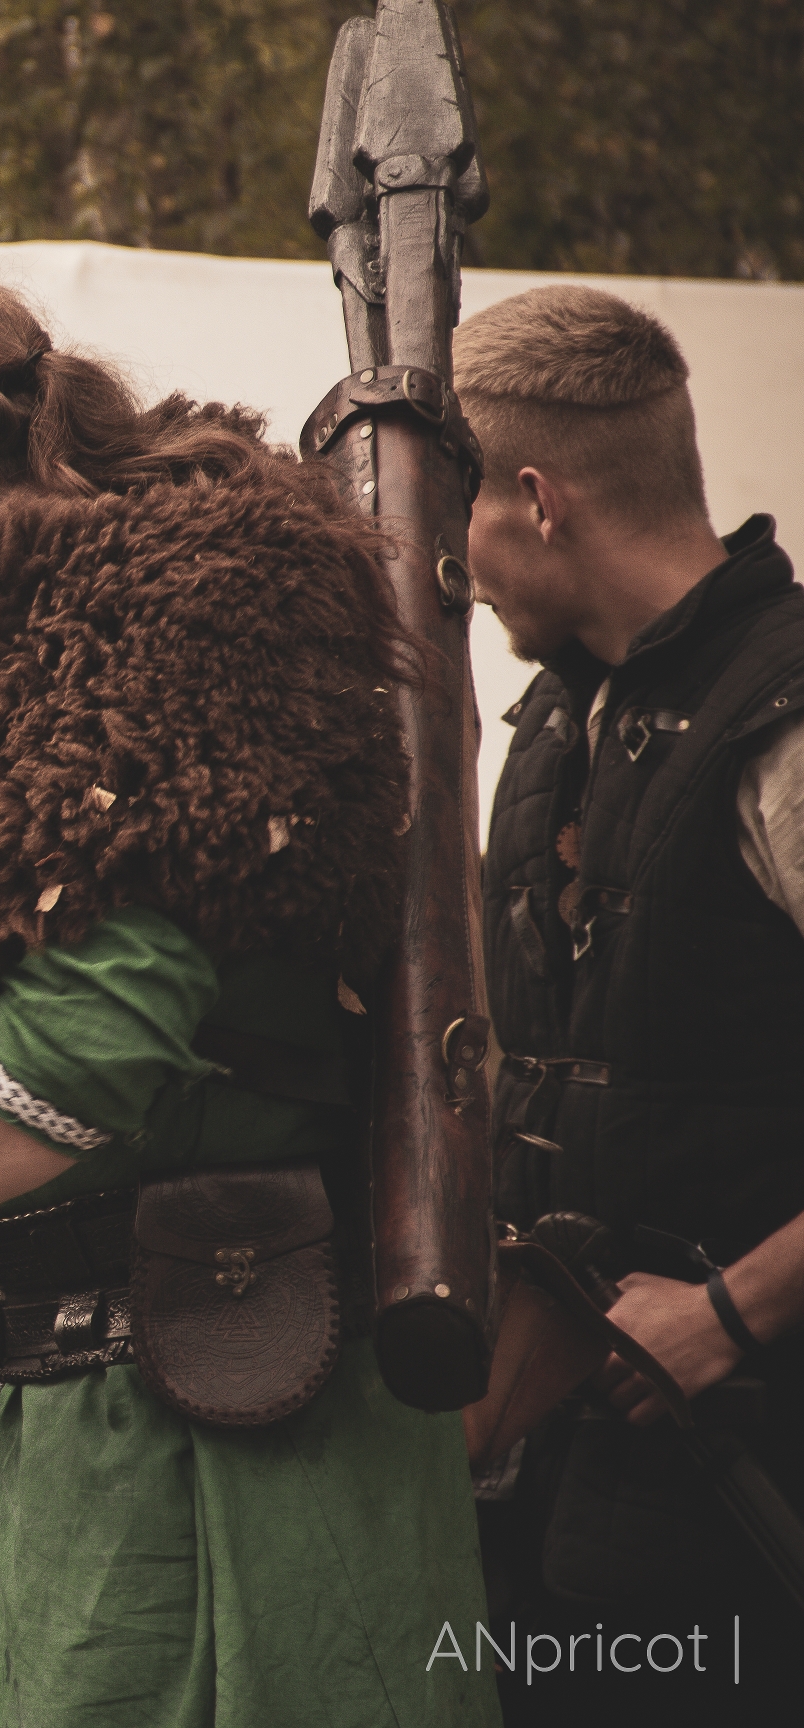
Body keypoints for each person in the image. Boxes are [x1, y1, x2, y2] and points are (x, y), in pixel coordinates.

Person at [0, 274, 498, 1727]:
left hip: (201, 1451)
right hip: (129, 1406)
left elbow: (94, 1037)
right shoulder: (170, 628)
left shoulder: (115, 647)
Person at [462, 285, 804, 1725]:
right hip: (569, 1494)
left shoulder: (784, 716)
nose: (451, 568)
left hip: (755, 1489)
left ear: (538, 500)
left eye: (460, 514)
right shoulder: (559, 716)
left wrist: (734, 1310)